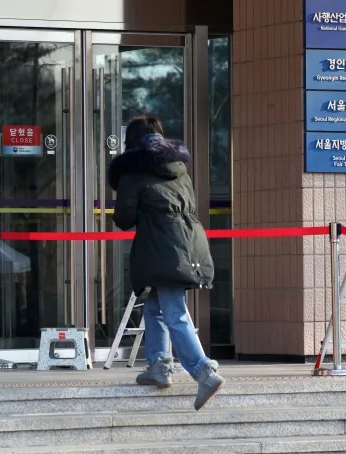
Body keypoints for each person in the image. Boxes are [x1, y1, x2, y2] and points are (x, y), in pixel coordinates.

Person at [108, 115, 225, 411]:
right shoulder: (180, 170)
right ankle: (159, 365)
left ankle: (204, 371)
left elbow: (124, 218)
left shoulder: (133, 173)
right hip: (188, 242)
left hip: (161, 246)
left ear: (131, 143)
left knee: (174, 311)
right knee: (155, 304)